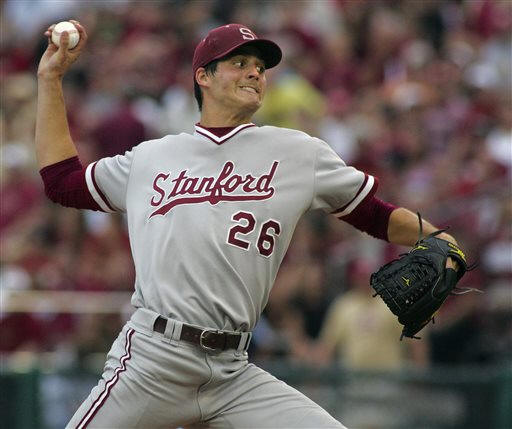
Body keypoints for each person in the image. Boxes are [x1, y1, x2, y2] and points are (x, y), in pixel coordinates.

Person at [36, 21, 460, 429]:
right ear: (203, 76)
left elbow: (375, 214)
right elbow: (62, 182)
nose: (255, 72)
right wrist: (50, 79)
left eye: (259, 66)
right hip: (154, 360)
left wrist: (435, 236)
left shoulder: (298, 153)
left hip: (232, 372)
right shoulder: (151, 158)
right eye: (239, 63)